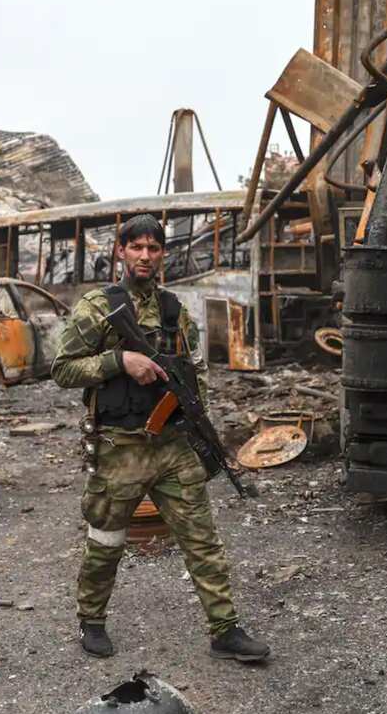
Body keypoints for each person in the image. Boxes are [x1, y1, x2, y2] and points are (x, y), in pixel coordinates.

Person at [51, 213, 270, 662]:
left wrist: (196, 417)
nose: (145, 256)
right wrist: (119, 361)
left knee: (202, 540)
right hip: (121, 448)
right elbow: (62, 369)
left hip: (172, 446)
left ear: (162, 254)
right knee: (106, 542)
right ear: (121, 251)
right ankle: (92, 621)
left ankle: (224, 629)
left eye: (153, 249)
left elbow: (195, 372)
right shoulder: (98, 307)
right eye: (137, 248)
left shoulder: (174, 310)